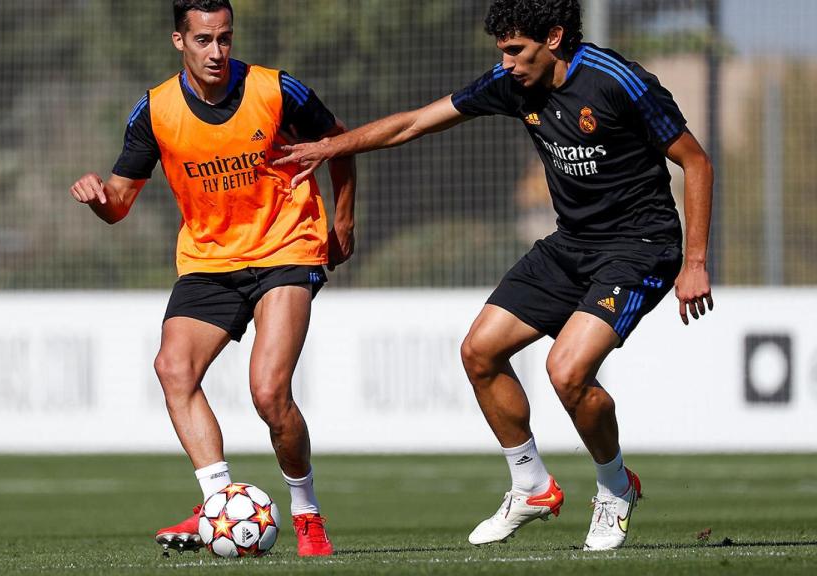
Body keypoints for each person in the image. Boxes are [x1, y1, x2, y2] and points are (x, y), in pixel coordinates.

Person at [274, 0, 713, 551]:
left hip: (640, 248)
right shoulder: (513, 83)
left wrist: (694, 262)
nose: (506, 63)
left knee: (567, 371)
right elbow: (413, 122)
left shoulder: (618, 81)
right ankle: (531, 485)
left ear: (554, 37)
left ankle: (615, 486)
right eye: (501, 51)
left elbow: (695, 161)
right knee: (479, 352)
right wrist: (332, 146)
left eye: (515, 50)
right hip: (570, 246)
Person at [68, 0, 355, 557]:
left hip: (286, 245)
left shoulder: (276, 90)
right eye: (203, 40)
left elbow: (338, 140)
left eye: (224, 38)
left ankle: (307, 512)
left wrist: (342, 218)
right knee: (173, 368)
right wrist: (98, 199)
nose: (217, 51)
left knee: (269, 392)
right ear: (180, 41)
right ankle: (221, 502)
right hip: (209, 260)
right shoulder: (155, 110)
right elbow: (120, 202)